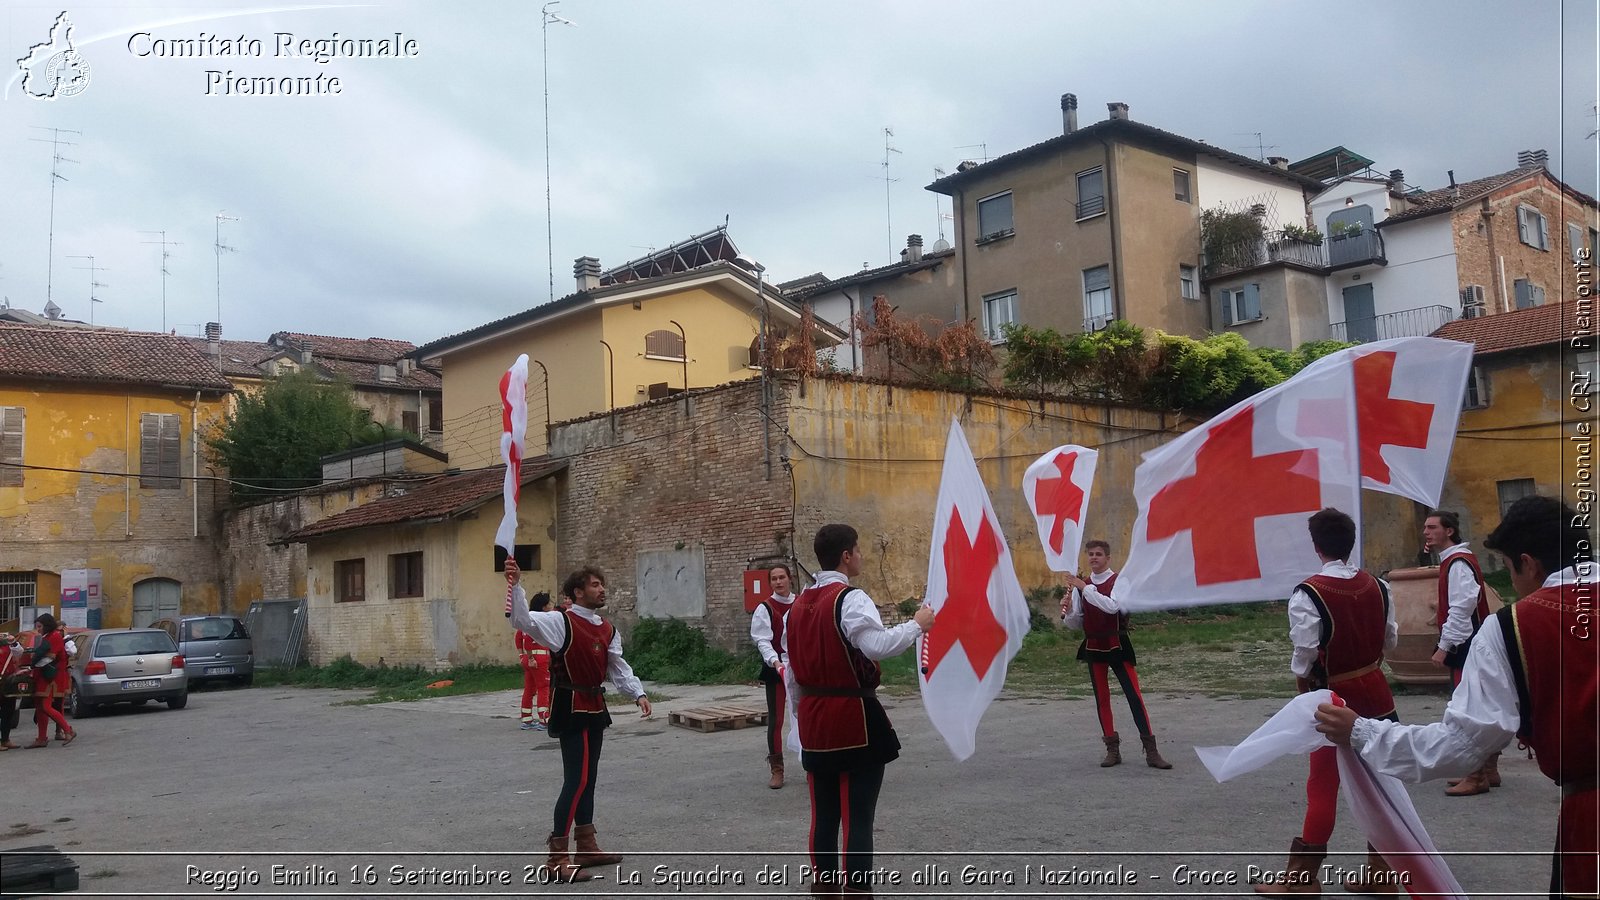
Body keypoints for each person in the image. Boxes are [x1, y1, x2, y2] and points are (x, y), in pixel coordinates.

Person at [1316, 495, 1597, 899]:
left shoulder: (1517, 625)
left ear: (1529, 563)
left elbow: (1460, 744)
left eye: (1510, 570)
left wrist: (1360, 732)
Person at [784, 524, 934, 898]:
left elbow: (792, 673)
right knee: (857, 817)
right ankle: (857, 893)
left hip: (815, 719)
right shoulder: (849, 599)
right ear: (847, 556)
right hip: (853, 717)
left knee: (823, 816)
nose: (862, 556)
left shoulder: (796, 607)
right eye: (859, 549)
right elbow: (877, 646)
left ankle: (824, 890)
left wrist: (799, 718)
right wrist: (917, 625)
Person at [1254, 508, 1399, 896]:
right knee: (1381, 785)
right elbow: (1390, 641)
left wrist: (1304, 683)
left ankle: (1302, 879)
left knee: (1322, 786)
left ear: (1316, 546)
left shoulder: (1308, 592)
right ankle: (1383, 875)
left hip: (1333, 699)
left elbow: (1304, 652)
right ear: (1350, 543)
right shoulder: (1379, 586)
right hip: (1378, 693)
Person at [507, 558, 651, 884]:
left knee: (590, 777)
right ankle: (557, 856)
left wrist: (636, 693)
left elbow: (616, 666)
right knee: (577, 779)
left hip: (595, 703)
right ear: (578, 591)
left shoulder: (607, 628)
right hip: (570, 704)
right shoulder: (562, 621)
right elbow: (521, 619)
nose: (602, 589)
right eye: (595, 585)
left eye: (601, 584)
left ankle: (586, 844)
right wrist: (515, 585)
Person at [1059, 539, 1172, 770]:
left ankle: (1151, 751)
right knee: (1102, 699)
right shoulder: (1085, 585)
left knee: (1134, 697)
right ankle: (1112, 749)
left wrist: (1084, 588)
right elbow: (1077, 623)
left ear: (1107, 558)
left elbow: (1112, 607)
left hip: (1116, 643)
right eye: (1090, 554)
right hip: (1093, 645)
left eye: (1098, 554)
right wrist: (1069, 608)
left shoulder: (1119, 581)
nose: (1094, 558)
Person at [1422, 508, 1499, 796]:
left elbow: (1463, 609)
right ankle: (1488, 768)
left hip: (1467, 645)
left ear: (1449, 531)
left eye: (1432, 527)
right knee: (1479, 703)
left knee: (1466, 707)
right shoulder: (1455, 561)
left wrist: (1444, 647)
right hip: (1472, 642)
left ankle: (1476, 773)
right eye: (1425, 528)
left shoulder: (1457, 563)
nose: (1426, 532)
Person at [751, 562, 796, 789]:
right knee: (776, 721)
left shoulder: (801, 603)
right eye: (774, 579)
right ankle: (777, 769)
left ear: (790, 579)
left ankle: (814, 765)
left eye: (782, 577)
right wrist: (776, 662)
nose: (778, 582)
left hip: (801, 669)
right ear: (770, 583)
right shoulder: (765, 608)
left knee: (807, 718)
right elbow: (763, 640)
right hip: (776, 669)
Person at [24, 614, 75, 749]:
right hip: (43, 676)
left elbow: (50, 657)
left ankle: (67, 730)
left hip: (50, 678)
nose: (38, 629)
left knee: (46, 706)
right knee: (40, 708)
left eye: (40, 626)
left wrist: (31, 666)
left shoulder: (54, 637)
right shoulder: (48, 637)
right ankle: (42, 738)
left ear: (47, 625)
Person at [517, 592, 554, 731]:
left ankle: (526, 719)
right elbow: (527, 641)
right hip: (538, 659)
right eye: (549, 604)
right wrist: (531, 657)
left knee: (529, 689)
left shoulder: (526, 619)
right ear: (544, 607)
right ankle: (544, 720)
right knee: (543, 688)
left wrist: (522, 656)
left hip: (529, 659)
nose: (551, 606)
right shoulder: (540, 620)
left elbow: (518, 638)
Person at [0, 632, 20, 750]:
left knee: (8, 710)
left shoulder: (9, 645)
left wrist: (12, 641)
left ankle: (5, 739)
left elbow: (19, 651)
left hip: (8, 680)